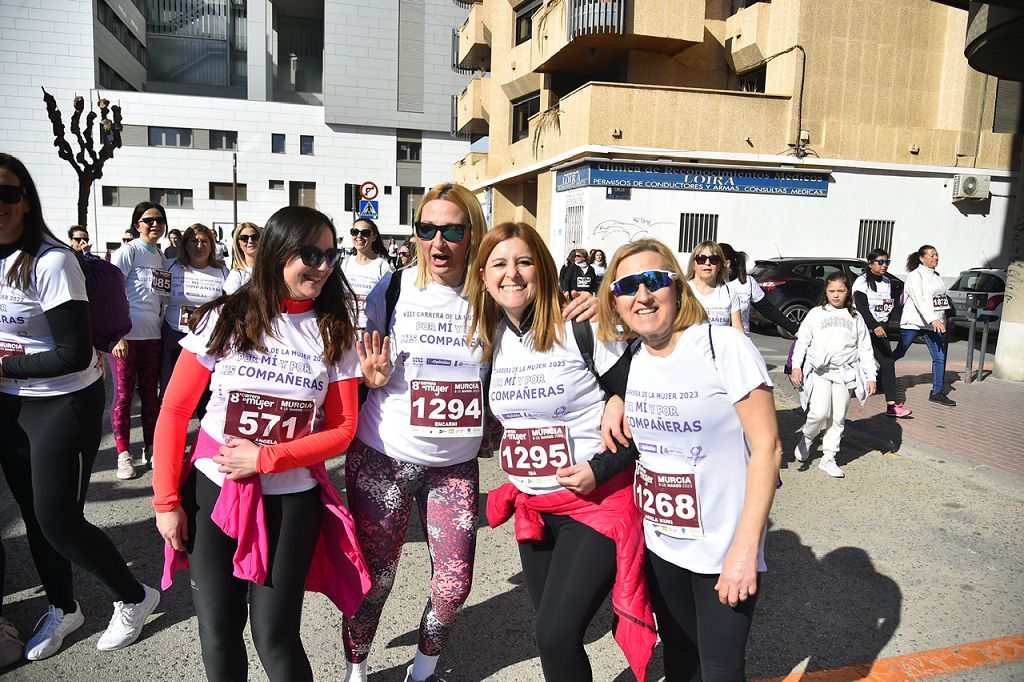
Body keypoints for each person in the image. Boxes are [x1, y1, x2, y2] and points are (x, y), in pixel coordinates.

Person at [153, 205, 369, 681]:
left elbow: (343, 428)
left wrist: (266, 458)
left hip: (290, 498)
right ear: (277, 251)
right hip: (214, 491)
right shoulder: (227, 317)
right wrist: (166, 500)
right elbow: (174, 411)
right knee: (218, 628)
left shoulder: (335, 330)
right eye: (310, 253)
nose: (323, 266)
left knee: (274, 635)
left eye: (330, 255)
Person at [468, 223, 655, 682]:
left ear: (544, 269)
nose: (512, 274)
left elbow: (645, 408)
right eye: (499, 264)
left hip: (596, 506)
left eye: (523, 262)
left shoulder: (580, 325)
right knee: (555, 637)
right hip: (535, 508)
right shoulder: (492, 336)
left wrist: (600, 465)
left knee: (554, 635)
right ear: (484, 277)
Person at [596, 238, 781, 682]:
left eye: (654, 280)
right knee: (680, 657)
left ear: (677, 288)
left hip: (721, 550)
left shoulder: (723, 347)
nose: (642, 295)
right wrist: (615, 400)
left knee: (719, 670)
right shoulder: (634, 360)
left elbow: (768, 448)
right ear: (615, 300)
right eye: (627, 286)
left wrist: (745, 549)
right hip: (662, 545)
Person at [0, 153, 160, 662]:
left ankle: (134, 597)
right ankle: (63, 607)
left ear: (26, 200)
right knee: (32, 514)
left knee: (59, 521)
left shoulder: (51, 261)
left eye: (7, 194)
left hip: (62, 402)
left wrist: (3, 368)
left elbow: (72, 352)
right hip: (9, 405)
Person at [343, 183, 489, 682]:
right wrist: (371, 379)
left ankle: (423, 669)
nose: (439, 243)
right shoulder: (395, 287)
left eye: (453, 230)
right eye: (428, 229)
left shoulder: (492, 293)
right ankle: (357, 667)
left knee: (453, 583)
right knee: (377, 578)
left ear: (472, 234)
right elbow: (363, 359)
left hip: (455, 465)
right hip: (384, 453)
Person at [791, 272, 877, 478]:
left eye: (841, 291)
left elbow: (865, 348)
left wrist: (871, 375)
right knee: (819, 413)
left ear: (848, 292)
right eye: (832, 291)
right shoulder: (815, 313)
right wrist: (797, 367)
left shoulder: (855, 316)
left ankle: (829, 457)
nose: (836, 295)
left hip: (845, 372)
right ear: (826, 291)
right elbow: (802, 341)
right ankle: (808, 438)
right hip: (820, 370)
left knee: (838, 416)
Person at [112, 202, 170, 479]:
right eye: (148, 220)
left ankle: (151, 447)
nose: (155, 224)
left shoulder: (160, 255)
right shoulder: (128, 251)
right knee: (123, 398)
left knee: (151, 396)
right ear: (137, 224)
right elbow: (111, 294)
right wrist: (117, 335)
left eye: (159, 219)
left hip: (153, 337)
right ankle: (124, 454)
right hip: (126, 339)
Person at [160, 223, 228, 398]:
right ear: (185, 244)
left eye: (205, 241)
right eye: (194, 241)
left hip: (208, 339)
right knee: (174, 391)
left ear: (212, 245)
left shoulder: (222, 270)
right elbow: (156, 298)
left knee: (204, 394)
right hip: (175, 334)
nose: (199, 246)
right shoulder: (169, 266)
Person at [893, 245, 955, 406]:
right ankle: (879, 376)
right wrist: (933, 319)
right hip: (914, 321)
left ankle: (937, 392)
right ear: (922, 258)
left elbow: (940, 301)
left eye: (937, 255)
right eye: (932, 255)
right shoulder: (915, 275)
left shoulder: (937, 276)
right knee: (900, 352)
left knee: (940, 357)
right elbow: (919, 299)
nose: (936, 258)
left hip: (931, 324)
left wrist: (940, 320)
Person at [852, 249, 911, 418]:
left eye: (887, 262)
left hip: (879, 331)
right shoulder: (861, 282)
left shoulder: (887, 282)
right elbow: (862, 307)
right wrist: (874, 325)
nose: (884, 265)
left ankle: (891, 406)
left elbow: (888, 306)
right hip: (862, 330)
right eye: (881, 262)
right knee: (850, 363)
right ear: (870, 264)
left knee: (887, 363)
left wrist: (884, 325)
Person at [719, 243, 799, 337]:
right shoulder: (706, 284)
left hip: (742, 342)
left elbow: (769, 310)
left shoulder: (747, 282)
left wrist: (796, 330)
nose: (707, 263)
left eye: (713, 259)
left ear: (727, 263)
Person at [342, 218, 392, 330]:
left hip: (369, 330)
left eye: (365, 233)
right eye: (355, 232)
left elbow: (388, 301)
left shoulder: (382, 266)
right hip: (346, 329)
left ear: (374, 237)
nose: (359, 236)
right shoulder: (344, 263)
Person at [687, 241, 744, 333]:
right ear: (693, 264)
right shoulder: (682, 290)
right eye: (701, 259)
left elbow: (738, 330)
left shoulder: (729, 293)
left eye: (713, 259)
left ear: (720, 265)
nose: (707, 263)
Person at [223, 222, 261, 294]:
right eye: (244, 238)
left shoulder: (271, 268)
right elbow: (231, 302)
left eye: (255, 237)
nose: (250, 241)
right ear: (238, 244)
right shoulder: (236, 274)